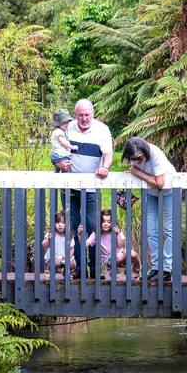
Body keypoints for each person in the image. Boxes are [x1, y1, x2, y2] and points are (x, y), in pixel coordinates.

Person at [54, 99, 112, 278]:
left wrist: (105, 167)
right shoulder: (68, 128)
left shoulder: (102, 129)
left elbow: (108, 154)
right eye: (80, 115)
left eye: (87, 115)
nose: (84, 118)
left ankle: (94, 271)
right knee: (72, 227)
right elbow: (55, 149)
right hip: (69, 185)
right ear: (75, 114)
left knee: (94, 227)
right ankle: (79, 269)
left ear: (93, 114)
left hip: (92, 187)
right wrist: (58, 162)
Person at [122, 136, 176, 282]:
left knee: (169, 229)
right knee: (151, 230)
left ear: (145, 151)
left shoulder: (155, 153)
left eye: (139, 158)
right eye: (133, 159)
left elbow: (160, 183)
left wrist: (137, 172)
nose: (137, 161)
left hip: (168, 190)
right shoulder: (134, 155)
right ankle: (156, 267)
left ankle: (167, 269)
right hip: (150, 193)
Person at [86, 209, 140, 279]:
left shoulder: (116, 231)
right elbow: (86, 244)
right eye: (103, 221)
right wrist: (79, 235)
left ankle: (136, 270)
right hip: (108, 259)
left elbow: (120, 245)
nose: (106, 224)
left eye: (109, 222)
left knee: (133, 254)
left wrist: (117, 234)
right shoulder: (97, 233)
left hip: (120, 255)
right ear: (100, 222)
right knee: (118, 257)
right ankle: (111, 271)